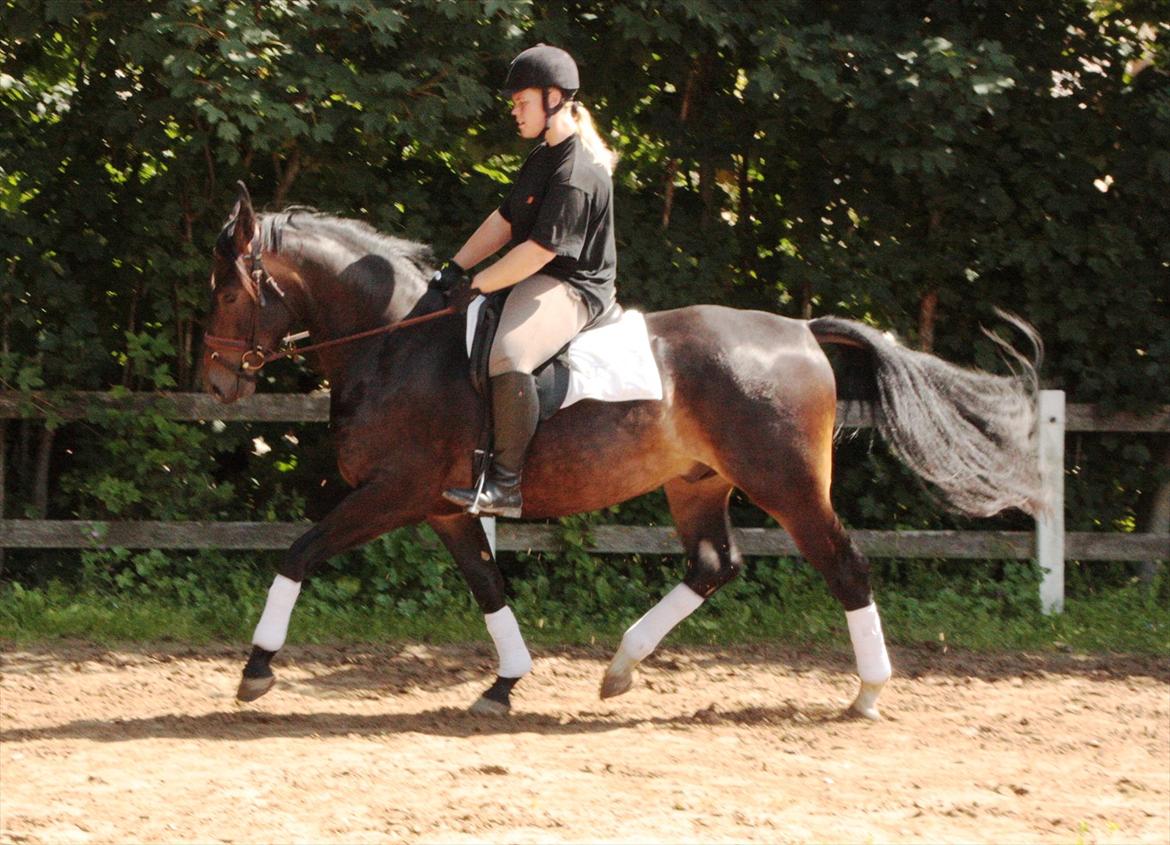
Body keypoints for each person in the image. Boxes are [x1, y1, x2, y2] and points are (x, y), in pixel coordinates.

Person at [436, 44, 620, 518]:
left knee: (509, 352)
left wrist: (480, 283)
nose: (515, 112)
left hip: (573, 285)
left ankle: (505, 485)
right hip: (537, 270)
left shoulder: (576, 171)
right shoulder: (543, 156)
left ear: (553, 98)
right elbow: (504, 220)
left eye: (522, 103)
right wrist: (454, 267)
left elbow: (539, 252)